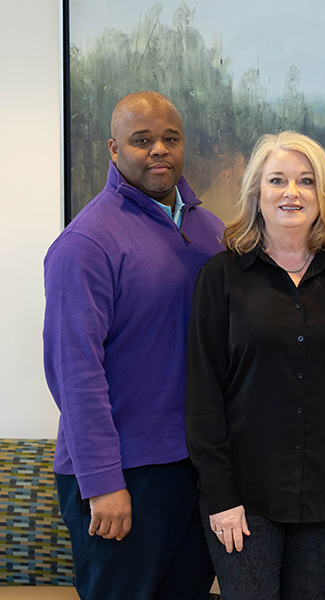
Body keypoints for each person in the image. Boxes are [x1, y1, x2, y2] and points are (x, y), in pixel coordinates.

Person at [185, 131, 325, 599]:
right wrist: (220, 496)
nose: (292, 193)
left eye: (305, 181)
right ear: (257, 193)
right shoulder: (220, 278)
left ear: (324, 195)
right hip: (243, 500)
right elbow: (203, 397)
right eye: (277, 180)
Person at [43, 91, 223, 599]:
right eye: (142, 140)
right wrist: (102, 482)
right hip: (122, 475)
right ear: (114, 149)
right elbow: (74, 371)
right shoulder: (85, 244)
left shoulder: (212, 234)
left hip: (194, 471)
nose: (158, 149)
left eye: (170, 138)